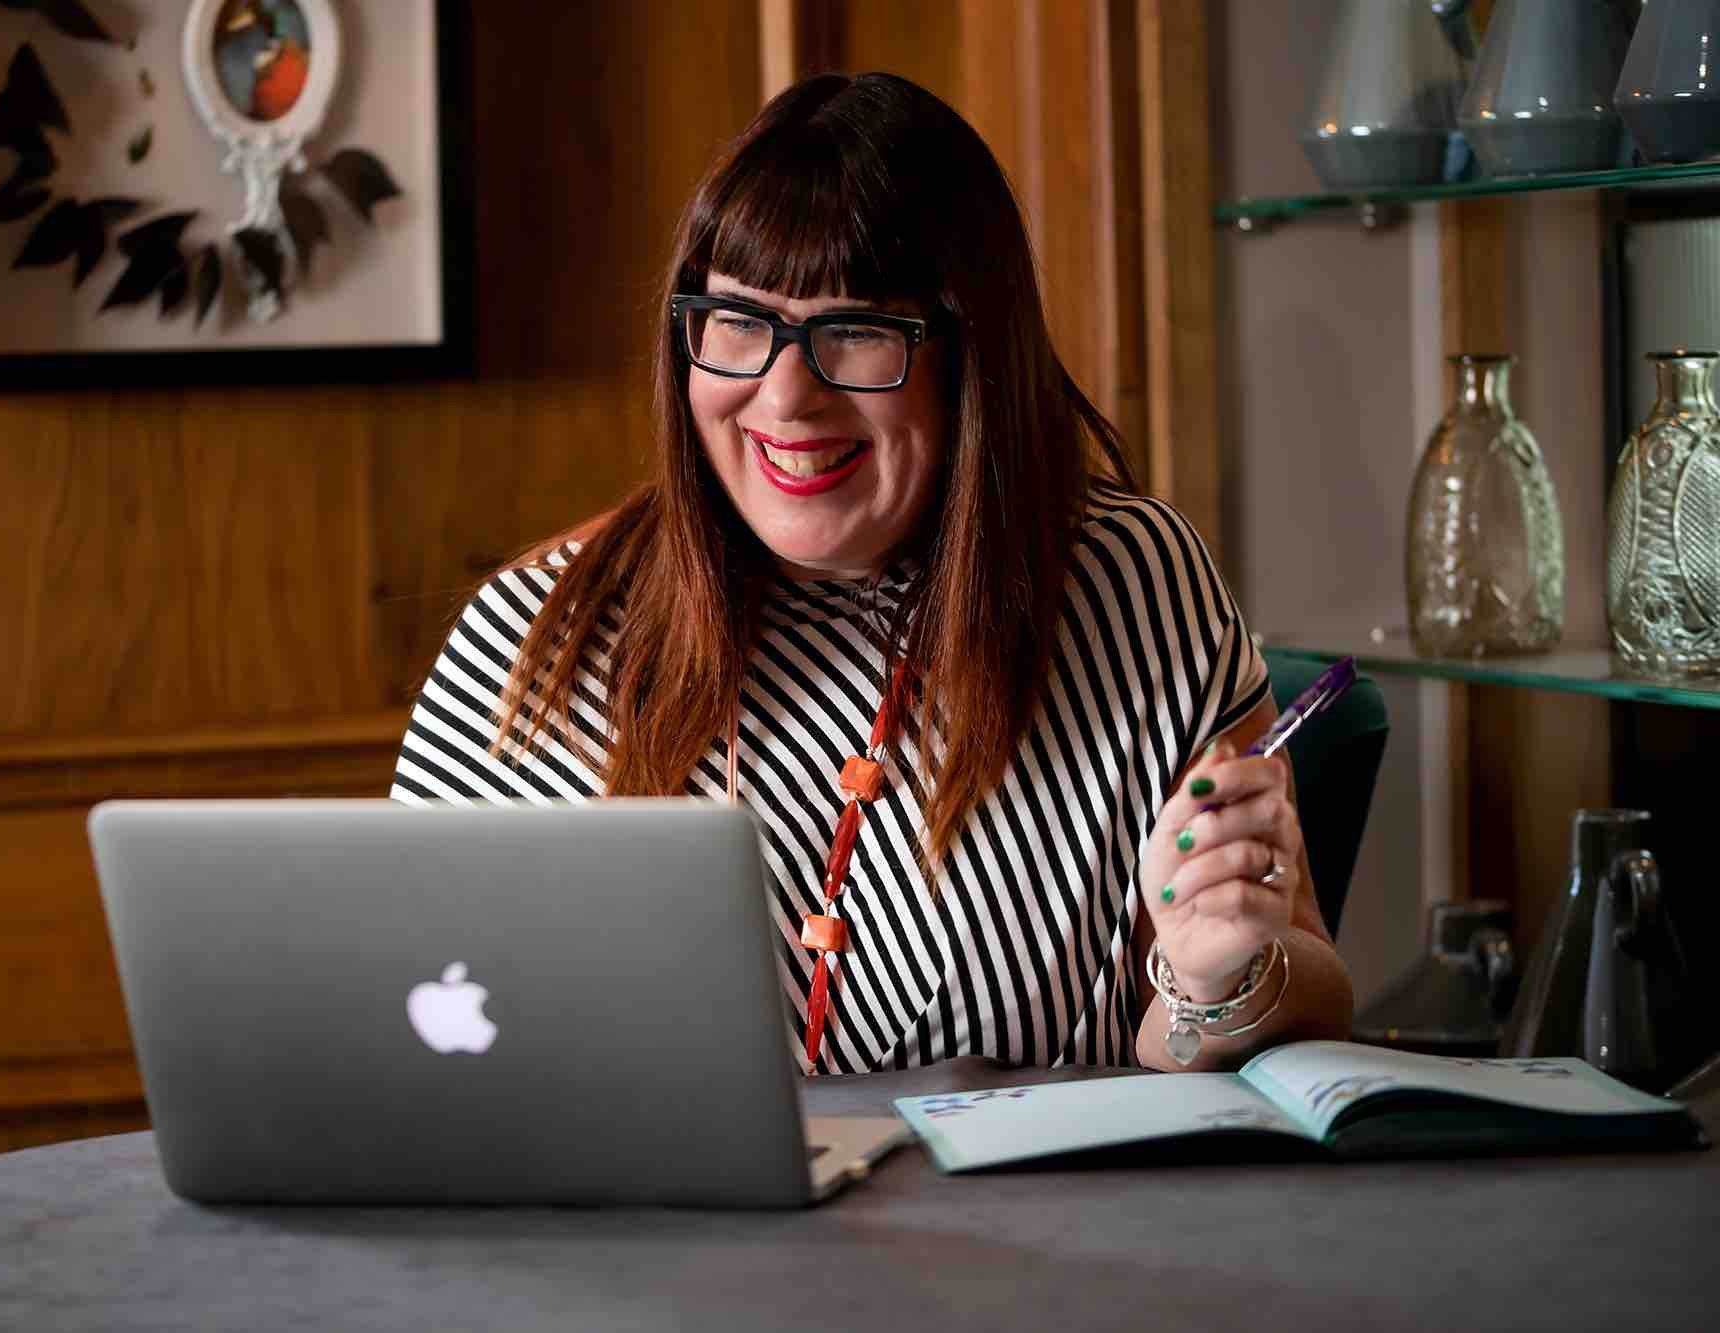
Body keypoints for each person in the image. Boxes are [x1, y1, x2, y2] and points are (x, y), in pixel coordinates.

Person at [388, 72, 1353, 1075]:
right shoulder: (533, 632)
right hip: (652, 1229)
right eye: (737, 322)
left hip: (1050, 1226)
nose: (784, 395)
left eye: (853, 328)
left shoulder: (1133, 583)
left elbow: (1306, 987)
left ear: (969, 357)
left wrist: (1213, 981)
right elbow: (401, 1032)